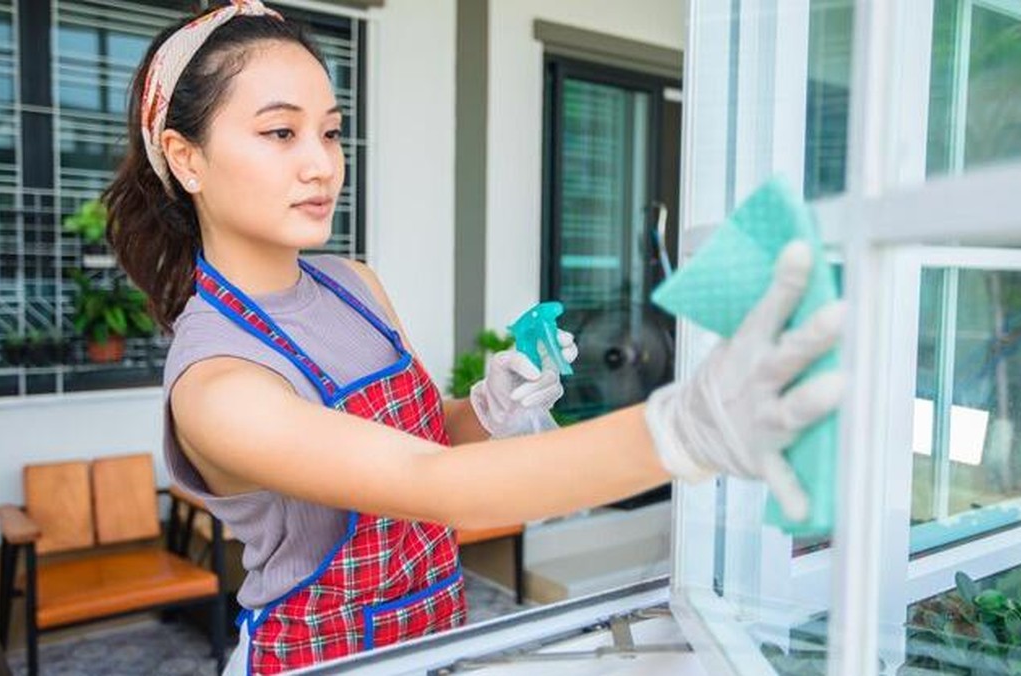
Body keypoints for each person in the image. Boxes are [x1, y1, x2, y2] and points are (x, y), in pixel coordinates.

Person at [103, 2, 845, 674]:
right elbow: (434, 489)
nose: (321, 163)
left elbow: (423, 442)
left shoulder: (353, 284)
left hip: (437, 635)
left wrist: (488, 409)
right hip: (321, 661)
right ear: (186, 157)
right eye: (280, 132)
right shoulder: (218, 384)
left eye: (330, 130)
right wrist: (685, 430)